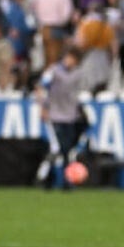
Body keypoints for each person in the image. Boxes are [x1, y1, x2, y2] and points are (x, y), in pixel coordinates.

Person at [37, 47, 86, 189]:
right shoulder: (54, 71)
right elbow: (41, 87)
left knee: (67, 150)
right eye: (69, 58)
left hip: (70, 116)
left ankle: (65, 180)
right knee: (57, 148)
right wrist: (43, 108)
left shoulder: (78, 74)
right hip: (55, 115)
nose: (70, 61)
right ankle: (44, 178)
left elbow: (78, 94)